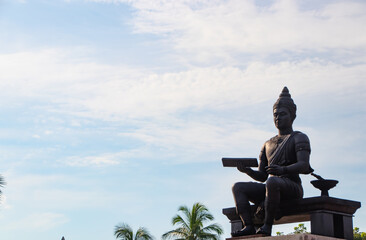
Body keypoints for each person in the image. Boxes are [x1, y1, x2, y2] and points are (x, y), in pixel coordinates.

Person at [232, 87, 313, 236]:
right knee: (238, 187)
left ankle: (267, 226)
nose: (278, 118)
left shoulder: (299, 137)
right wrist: (248, 171)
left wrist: (283, 170)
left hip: (292, 187)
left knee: (273, 182)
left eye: (282, 114)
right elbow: (263, 176)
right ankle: (248, 225)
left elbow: (304, 165)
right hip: (271, 187)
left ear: (292, 116)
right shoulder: (268, 143)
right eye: (275, 115)